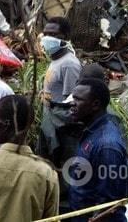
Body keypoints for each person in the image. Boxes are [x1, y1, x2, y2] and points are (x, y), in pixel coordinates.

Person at [67, 79, 128, 222]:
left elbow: (108, 204)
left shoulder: (106, 145)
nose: (72, 103)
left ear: (95, 104)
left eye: (78, 99)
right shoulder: (91, 131)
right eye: (73, 97)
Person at [40, 17, 82, 163]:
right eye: (45, 34)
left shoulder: (69, 64)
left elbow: (71, 102)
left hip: (61, 130)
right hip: (50, 126)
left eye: (53, 35)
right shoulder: (56, 60)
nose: (47, 38)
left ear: (66, 37)